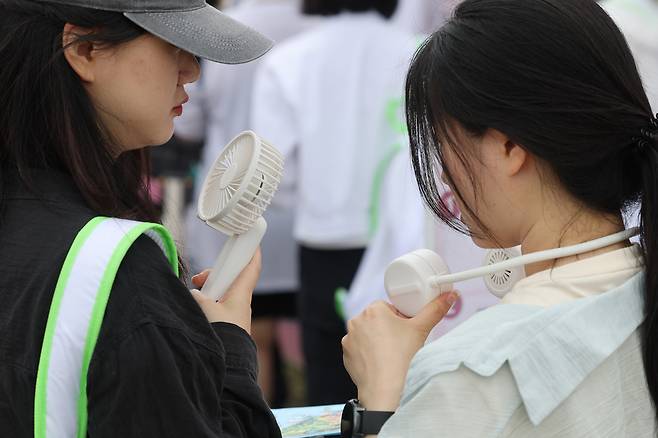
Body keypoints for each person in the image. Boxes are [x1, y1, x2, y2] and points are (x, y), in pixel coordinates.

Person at [340, 0, 658, 436]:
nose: (444, 174)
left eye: (442, 140)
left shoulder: (472, 370)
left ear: (508, 148)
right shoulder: (642, 291)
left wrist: (383, 396)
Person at [0, 0, 281, 436]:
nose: (192, 71)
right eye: (173, 43)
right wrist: (228, 343)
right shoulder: (120, 277)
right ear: (84, 50)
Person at [251, 0, 418, 405]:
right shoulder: (419, 54)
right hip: (407, 247)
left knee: (329, 392)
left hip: (324, 244)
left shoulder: (288, 60)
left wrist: (317, 198)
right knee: (406, 381)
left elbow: (273, 175)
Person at [174, 0, 314, 406]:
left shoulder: (222, 26)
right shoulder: (318, 21)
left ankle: (255, 418)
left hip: (231, 200)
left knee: (250, 333)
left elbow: (188, 122)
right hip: (310, 211)